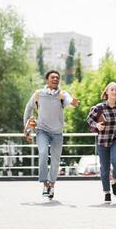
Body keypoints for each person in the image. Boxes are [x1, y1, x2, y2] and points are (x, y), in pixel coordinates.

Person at [23, 70, 79, 200]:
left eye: (58, 78)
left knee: (55, 159)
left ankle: (52, 185)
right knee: (42, 153)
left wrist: (73, 102)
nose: (56, 79)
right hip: (42, 130)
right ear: (47, 79)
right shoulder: (38, 94)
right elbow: (28, 107)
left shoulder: (61, 94)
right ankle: (45, 184)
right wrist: (26, 128)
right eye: (53, 77)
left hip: (57, 133)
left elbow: (69, 99)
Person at [87, 82, 116, 205]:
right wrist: (97, 125)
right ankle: (107, 192)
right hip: (103, 141)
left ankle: (114, 180)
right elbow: (89, 119)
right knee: (104, 169)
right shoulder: (99, 107)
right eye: (112, 89)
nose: (115, 92)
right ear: (107, 92)